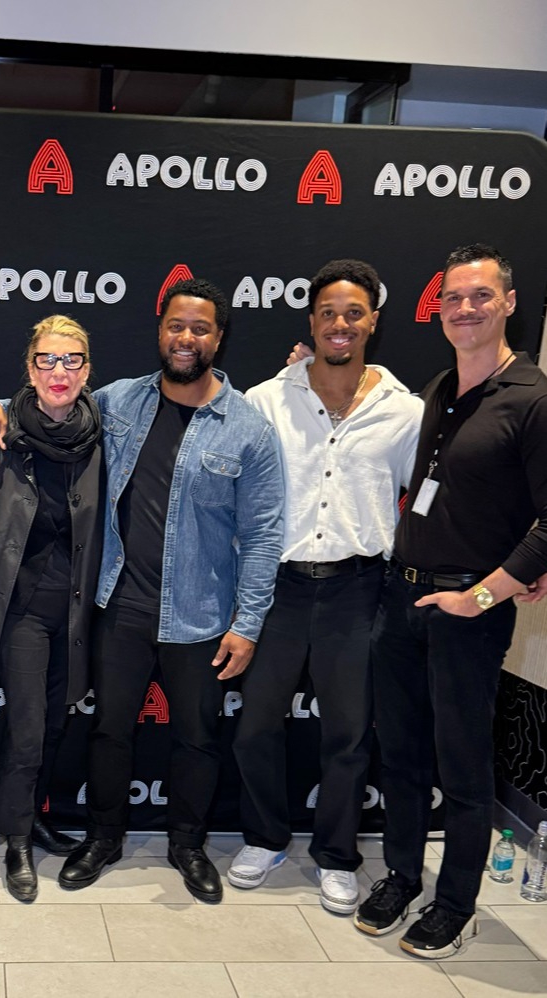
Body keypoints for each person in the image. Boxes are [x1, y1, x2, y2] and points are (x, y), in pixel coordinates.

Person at [0, 278, 284, 902]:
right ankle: (104, 837)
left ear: (218, 337)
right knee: (110, 731)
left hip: (201, 615)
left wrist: (248, 623)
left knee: (196, 738)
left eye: (200, 327)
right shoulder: (119, 403)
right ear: (160, 330)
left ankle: (187, 844)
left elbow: (262, 534)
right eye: (176, 324)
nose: (186, 337)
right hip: (117, 605)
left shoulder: (248, 428)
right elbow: (51, 402)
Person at [354, 244, 547, 958]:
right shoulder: (440, 388)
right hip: (400, 600)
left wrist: (490, 591)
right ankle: (403, 875)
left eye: (480, 296)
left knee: (462, 768)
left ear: (509, 302)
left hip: (467, 614)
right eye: (454, 298)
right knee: (400, 756)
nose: (465, 308)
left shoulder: (532, 399)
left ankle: (456, 903)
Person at [230, 260, 422, 914]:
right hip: (277, 589)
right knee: (256, 726)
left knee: (348, 733)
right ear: (312, 323)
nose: (341, 324)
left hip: (358, 589)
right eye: (329, 313)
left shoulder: (405, 412)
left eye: (354, 313)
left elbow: (424, 501)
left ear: (373, 321)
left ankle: (337, 855)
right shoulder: (265, 400)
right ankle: (265, 835)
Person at [0, 315, 103, 902]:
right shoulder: (1, 437)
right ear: (30, 369)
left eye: (71, 360)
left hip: (77, 612)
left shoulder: (103, 430)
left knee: (56, 724)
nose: (59, 372)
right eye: (47, 360)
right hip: (23, 611)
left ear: (87, 369)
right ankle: (17, 840)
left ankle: (38, 816)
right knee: (26, 730)